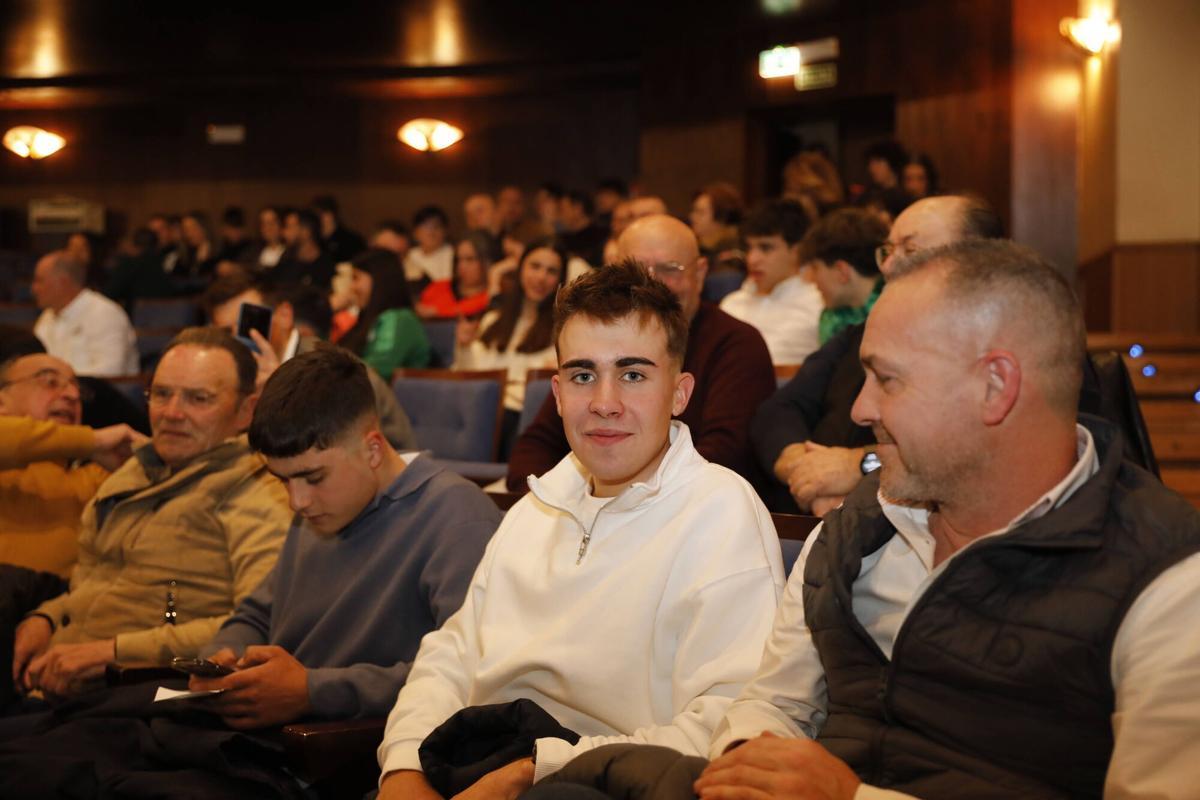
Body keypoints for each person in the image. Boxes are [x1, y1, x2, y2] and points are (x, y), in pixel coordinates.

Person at [698, 239, 1200, 799]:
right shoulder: (859, 521)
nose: (860, 410)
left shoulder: (1170, 581)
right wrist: (747, 766)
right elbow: (776, 702)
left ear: (995, 388)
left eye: (887, 379)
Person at [377, 260, 784, 797]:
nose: (604, 403)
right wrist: (404, 768)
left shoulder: (722, 513)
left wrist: (537, 770)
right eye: (583, 375)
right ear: (558, 391)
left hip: (601, 785)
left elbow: (727, 722)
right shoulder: (534, 508)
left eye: (634, 375)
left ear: (680, 393)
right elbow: (450, 655)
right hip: (469, 766)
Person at [187, 344, 500, 729]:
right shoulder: (320, 511)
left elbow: (472, 672)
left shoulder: (457, 517)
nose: (296, 501)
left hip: (338, 749)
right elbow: (256, 615)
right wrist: (222, 658)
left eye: (313, 477)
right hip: (265, 736)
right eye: (282, 480)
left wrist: (313, 691)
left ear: (372, 448)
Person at [11, 327, 290, 698]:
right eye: (161, 394)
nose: (172, 413)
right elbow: (94, 584)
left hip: (142, 698)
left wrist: (111, 653)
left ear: (245, 411)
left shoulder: (257, 493)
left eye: (198, 399)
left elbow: (256, 626)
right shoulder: (130, 473)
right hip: (57, 685)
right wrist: (47, 615)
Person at [752, 195, 1003, 514]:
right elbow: (778, 410)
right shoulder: (858, 335)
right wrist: (804, 470)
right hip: (820, 515)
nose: (887, 265)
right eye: (888, 250)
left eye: (910, 251)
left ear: (978, 261)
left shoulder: (1001, 347)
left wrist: (860, 465)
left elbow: (979, 449)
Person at [507, 214, 775, 494]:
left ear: (700, 271)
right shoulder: (599, 346)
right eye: (634, 270)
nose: (651, 284)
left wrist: (618, 502)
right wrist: (555, 506)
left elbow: (726, 455)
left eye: (669, 268)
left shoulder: (738, 343)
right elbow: (536, 444)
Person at [202, 275, 416, 450]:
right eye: (226, 332)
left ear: (285, 315)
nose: (238, 339)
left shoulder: (332, 369)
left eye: (247, 324)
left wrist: (279, 394)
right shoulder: (238, 372)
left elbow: (333, 453)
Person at [0, 354, 145, 578]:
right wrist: (92, 441)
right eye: (49, 382)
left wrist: (140, 462)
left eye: (77, 389)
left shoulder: (96, 478)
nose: (72, 395)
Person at [454, 240, 566, 453]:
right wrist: (465, 346)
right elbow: (469, 375)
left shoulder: (563, 329)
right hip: (479, 411)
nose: (541, 277)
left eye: (551, 271)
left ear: (560, 279)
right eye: (535, 266)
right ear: (521, 269)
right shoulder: (493, 320)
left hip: (519, 418)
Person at [719, 200, 823, 366]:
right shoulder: (730, 305)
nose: (752, 259)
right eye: (749, 248)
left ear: (796, 251)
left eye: (765, 248)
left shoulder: (818, 305)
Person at [32, 250, 139, 378]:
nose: (34, 288)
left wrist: (59, 383)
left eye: (40, 281)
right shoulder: (46, 317)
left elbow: (111, 371)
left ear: (63, 282)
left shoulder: (105, 314)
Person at [340, 248, 431, 379]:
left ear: (378, 279)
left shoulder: (400, 319)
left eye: (356, 278)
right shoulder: (369, 318)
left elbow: (376, 369)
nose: (352, 287)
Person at [804, 208, 889, 344]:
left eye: (815, 268)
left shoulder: (894, 316)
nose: (812, 280)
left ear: (841, 271)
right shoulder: (832, 318)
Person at [417, 231, 494, 319]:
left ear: (487, 262)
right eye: (458, 259)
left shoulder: (491, 296)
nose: (462, 266)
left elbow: (474, 308)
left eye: (470, 259)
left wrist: (438, 312)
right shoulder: (437, 288)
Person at [689, 181, 744, 273]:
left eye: (700, 212)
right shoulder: (697, 249)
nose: (692, 217)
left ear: (721, 217)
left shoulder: (734, 255)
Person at [275, 208, 336, 289]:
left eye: (289, 227)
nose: (283, 232)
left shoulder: (325, 267)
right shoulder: (286, 261)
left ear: (306, 231)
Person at [404, 205, 454, 284]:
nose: (431, 232)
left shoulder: (454, 255)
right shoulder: (408, 255)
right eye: (426, 227)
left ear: (446, 231)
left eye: (436, 226)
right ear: (415, 232)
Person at [312, 194, 367, 264]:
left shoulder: (351, 240)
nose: (316, 220)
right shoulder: (314, 240)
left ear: (330, 215)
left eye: (319, 215)